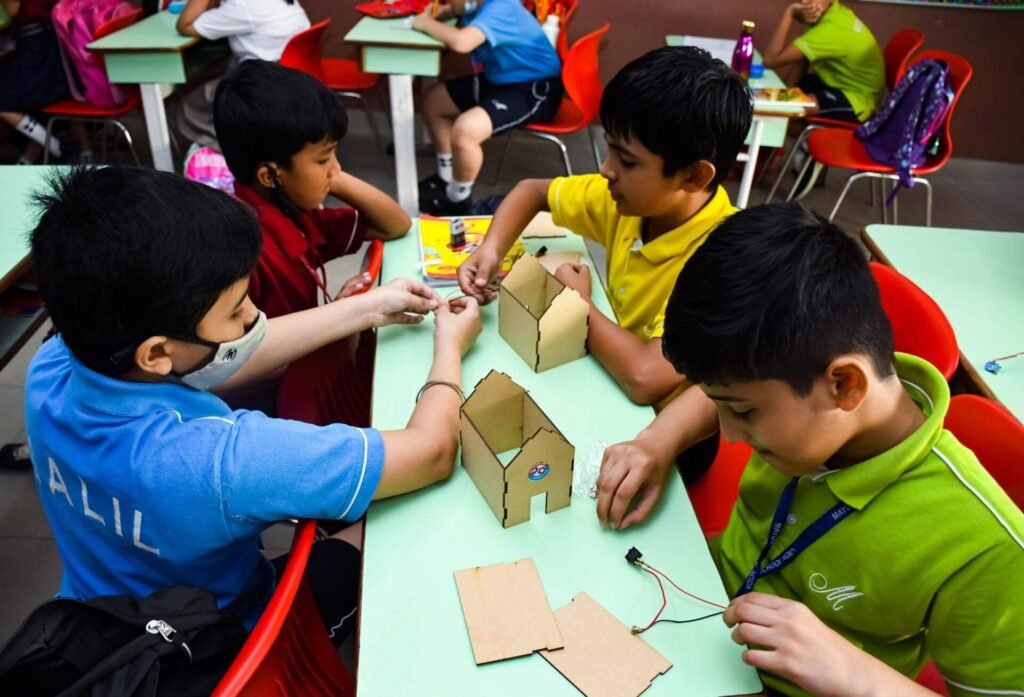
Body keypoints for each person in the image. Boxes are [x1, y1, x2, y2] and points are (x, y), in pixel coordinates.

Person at [24, 166, 481, 641]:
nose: (254, 317)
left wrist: (365, 308)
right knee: (403, 521)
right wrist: (449, 345)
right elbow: (432, 451)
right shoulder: (224, 460)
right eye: (236, 308)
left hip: (98, 624)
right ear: (156, 353)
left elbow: (213, 357)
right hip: (221, 647)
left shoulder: (54, 365)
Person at [660, 202, 1024, 695]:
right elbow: (728, 390)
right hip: (696, 600)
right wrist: (655, 441)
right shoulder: (811, 407)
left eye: (743, 413)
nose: (728, 434)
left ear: (846, 386)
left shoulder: (986, 547)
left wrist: (856, 674)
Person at [459, 45, 751, 480]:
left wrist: (578, 305)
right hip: (612, 376)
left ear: (694, 176)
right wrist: (491, 249)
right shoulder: (629, 198)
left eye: (627, 160)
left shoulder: (723, 257)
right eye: (610, 149)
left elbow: (645, 377)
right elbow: (530, 191)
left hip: (665, 433)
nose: (606, 169)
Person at [214, 60, 411, 426]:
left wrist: (328, 176)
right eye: (323, 158)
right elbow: (221, 374)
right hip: (273, 420)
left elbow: (395, 223)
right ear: (269, 174)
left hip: (312, 387)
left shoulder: (292, 215)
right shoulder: (240, 253)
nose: (336, 167)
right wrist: (338, 320)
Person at [412, 0, 562, 215]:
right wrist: (445, 11)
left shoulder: (503, 6)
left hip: (534, 87)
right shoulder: (478, 5)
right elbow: (458, 10)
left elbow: (462, 42)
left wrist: (424, 23)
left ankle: (457, 200)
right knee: (434, 101)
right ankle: (446, 178)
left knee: (465, 131)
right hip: (499, 80)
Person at [175, 0, 310, 150]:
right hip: (292, 76)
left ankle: (242, 153)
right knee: (226, 71)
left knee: (190, 107)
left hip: (263, 83)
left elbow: (185, 26)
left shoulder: (242, 7)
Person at [762, 0, 885, 124]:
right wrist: (786, 94)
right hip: (836, 83)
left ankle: (791, 132)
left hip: (857, 99)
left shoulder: (832, 28)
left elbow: (770, 60)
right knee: (774, 97)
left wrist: (790, 13)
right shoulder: (832, 12)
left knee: (781, 104)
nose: (805, 1)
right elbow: (804, 58)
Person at [0, 0, 91, 163]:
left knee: (5, 101)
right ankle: (81, 152)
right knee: (44, 107)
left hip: (36, 50)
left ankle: (54, 146)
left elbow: (11, 12)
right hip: (55, 45)